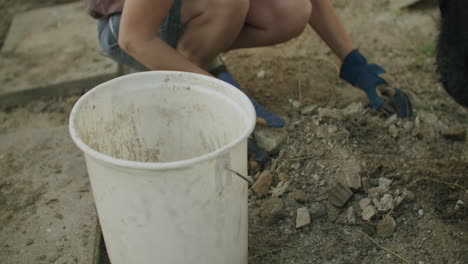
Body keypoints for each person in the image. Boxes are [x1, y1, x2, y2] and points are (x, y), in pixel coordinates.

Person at [84, 0, 413, 127]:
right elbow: (133, 38)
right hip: (127, 28)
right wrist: (225, 100)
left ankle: (199, 63)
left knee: (291, 11)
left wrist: (355, 63)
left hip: (185, 10)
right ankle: (199, 85)